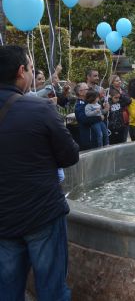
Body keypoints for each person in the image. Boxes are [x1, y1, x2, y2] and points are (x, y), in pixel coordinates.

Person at [0, 45, 79, 300]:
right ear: (21, 72)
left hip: (4, 221)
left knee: (8, 291)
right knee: (52, 291)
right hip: (41, 215)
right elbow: (70, 155)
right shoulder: (40, 110)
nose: (33, 75)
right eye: (32, 69)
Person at [74, 82, 105, 150]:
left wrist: (104, 108)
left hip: (95, 136)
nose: (89, 90)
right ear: (80, 92)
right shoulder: (79, 105)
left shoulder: (88, 102)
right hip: (89, 138)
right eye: (87, 89)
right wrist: (99, 118)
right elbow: (84, 119)